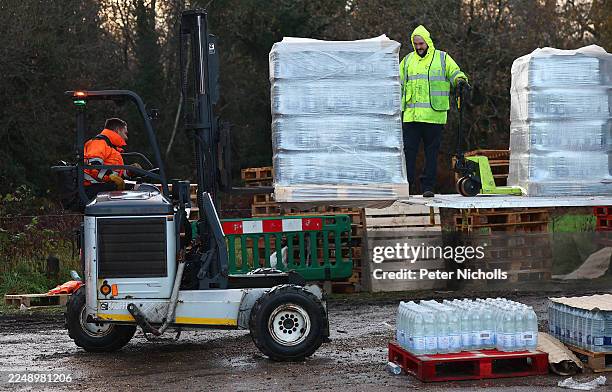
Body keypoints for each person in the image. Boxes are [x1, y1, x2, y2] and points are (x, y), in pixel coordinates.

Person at [400, 25, 469, 197]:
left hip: (434, 116)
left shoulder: (442, 58)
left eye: (421, 43)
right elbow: (397, 82)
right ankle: (405, 186)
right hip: (412, 117)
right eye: (415, 44)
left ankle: (428, 187)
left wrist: (460, 81)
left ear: (428, 41)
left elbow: (455, 72)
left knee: (431, 155)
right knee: (408, 153)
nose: (418, 47)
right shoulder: (408, 61)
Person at [83, 118, 130, 199]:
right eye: (125, 133)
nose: (126, 137)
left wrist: (130, 172)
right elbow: (94, 166)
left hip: (102, 188)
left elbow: (116, 172)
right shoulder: (98, 143)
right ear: (118, 130)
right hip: (92, 190)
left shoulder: (112, 148)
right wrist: (111, 176)